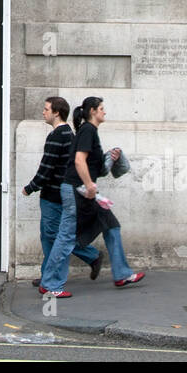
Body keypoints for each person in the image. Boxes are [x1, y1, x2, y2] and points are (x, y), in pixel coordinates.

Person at [44, 95, 144, 295]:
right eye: (101, 108)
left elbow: (91, 164)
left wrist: (109, 157)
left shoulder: (90, 132)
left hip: (83, 191)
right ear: (93, 111)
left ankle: (122, 274)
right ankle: (50, 284)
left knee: (112, 226)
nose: (104, 112)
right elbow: (79, 161)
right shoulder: (88, 131)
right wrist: (90, 185)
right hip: (77, 191)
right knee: (65, 237)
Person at [23, 96, 101, 295]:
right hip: (62, 192)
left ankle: (54, 279)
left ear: (57, 112)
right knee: (54, 237)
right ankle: (48, 276)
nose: (43, 112)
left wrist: (31, 187)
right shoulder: (69, 133)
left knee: (55, 237)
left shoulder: (58, 135)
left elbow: (47, 167)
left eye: (46, 108)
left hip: (53, 194)